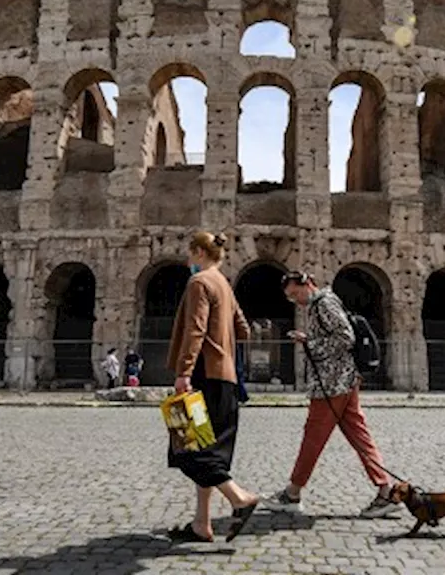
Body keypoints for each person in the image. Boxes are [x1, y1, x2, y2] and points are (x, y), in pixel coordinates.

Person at [261, 271, 399, 519]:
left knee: (313, 437)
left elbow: (346, 337)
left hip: (332, 383)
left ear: (307, 284)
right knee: (359, 436)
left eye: (295, 294)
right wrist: (309, 338)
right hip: (342, 381)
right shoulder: (320, 303)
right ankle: (386, 490)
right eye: (290, 298)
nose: (295, 301)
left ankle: (292, 494)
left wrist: (310, 344)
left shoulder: (323, 303)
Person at [165, 231, 260, 543]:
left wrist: (183, 372)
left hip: (204, 374)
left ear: (199, 252)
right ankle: (201, 523)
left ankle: (238, 498)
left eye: (190, 253)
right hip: (227, 378)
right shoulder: (226, 287)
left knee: (188, 448)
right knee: (208, 448)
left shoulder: (199, 282)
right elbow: (244, 330)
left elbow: (196, 330)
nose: (188, 259)